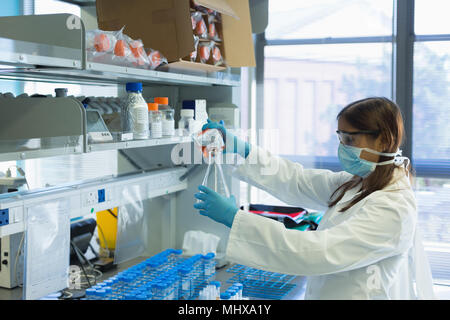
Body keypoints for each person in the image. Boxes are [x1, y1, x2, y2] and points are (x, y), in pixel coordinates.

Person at [193, 97, 435, 300]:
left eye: (350, 140)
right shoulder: (357, 182)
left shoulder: (393, 208)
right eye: (340, 138)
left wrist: (235, 219)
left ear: (383, 140)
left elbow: (317, 251)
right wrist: (243, 149)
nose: (342, 148)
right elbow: (297, 180)